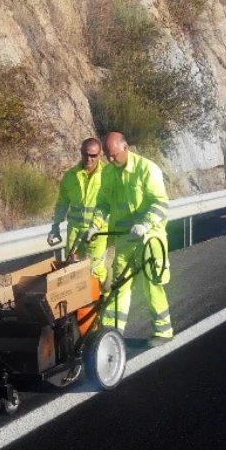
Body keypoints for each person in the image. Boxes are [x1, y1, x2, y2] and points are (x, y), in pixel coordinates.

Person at [86, 132, 173, 346]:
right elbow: (104, 203)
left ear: (126, 148)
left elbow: (161, 203)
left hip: (149, 239)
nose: (111, 159)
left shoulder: (147, 169)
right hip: (124, 240)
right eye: (108, 156)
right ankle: (110, 335)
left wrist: (145, 224)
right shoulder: (108, 173)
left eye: (114, 155)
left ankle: (162, 331)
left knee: (152, 284)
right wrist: (95, 225)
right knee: (119, 287)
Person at [48, 138, 109, 335]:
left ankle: (96, 318)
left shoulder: (107, 176)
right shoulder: (71, 176)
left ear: (99, 155)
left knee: (94, 271)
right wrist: (55, 226)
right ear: (81, 153)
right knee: (73, 272)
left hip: (97, 233)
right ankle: (77, 320)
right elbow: (62, 203)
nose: (89, 159)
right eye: (86, 155)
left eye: (93, 155)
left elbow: (108, 204)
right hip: (75, 233)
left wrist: (97, 226)